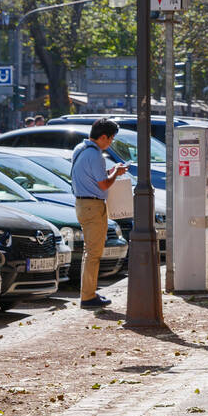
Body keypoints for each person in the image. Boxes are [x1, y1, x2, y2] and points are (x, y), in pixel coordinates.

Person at [70, 119, 129, 310]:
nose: (110, 143)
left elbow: (92, 177)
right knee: (93, 253)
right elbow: (103, 184)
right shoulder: (96, 155)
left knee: (91, 251)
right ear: (103, 137)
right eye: (110, 139)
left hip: (82, 203)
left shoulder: (80, 148)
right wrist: (116, 173)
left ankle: (89, 292)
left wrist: (110, 172)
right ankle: (88, 296)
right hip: (93, 205)